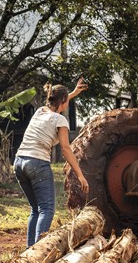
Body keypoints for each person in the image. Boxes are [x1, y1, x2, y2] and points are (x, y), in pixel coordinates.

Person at [14, 79, 89, 248]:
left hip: (19, 162)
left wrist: (74, 93)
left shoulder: (40, 111)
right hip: (37, 163)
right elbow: (66, 149)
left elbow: (58, 101)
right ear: (64, 101)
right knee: (47, 209)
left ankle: (29, 250)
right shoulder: (60, 120)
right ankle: (38, 251)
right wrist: (80, 174)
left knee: (36, 209)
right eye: (67, 100)